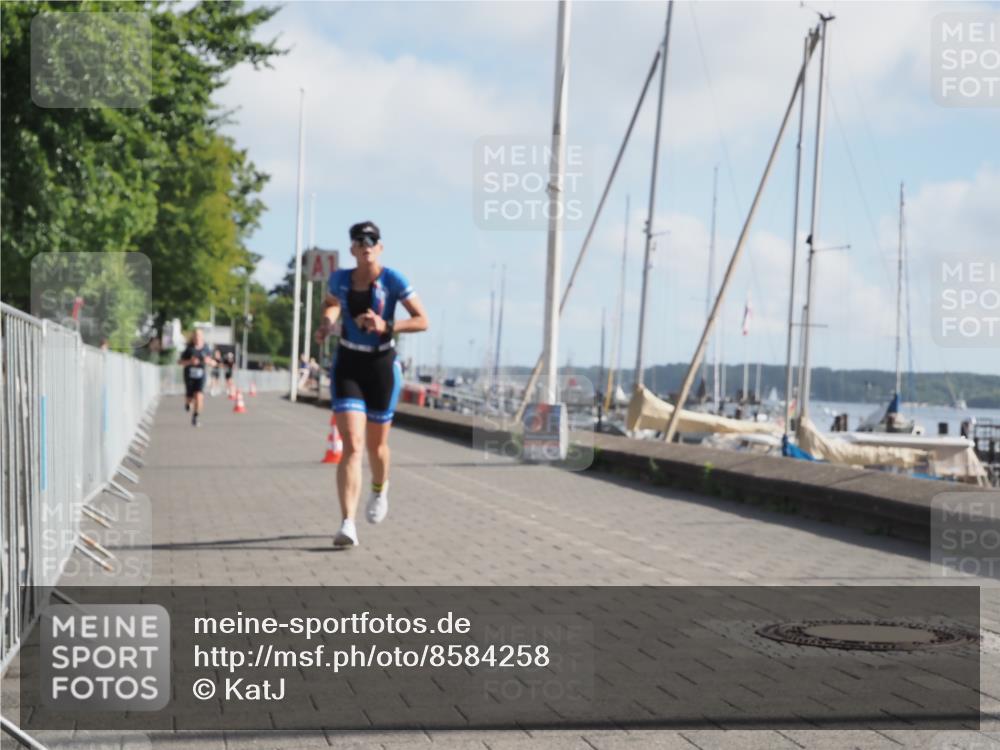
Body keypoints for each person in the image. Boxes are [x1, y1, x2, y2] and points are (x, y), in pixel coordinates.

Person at [315, 221, 428, 548]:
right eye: (360, 241)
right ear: (352, 248)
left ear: (380, 247)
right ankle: (347, 523)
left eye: (372, 240)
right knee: (352, 444)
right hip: (348, 363)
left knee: (376, 447)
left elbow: (423, 320)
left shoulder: (394, 280)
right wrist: (327, 324)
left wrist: (387, 324)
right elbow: (331, 303)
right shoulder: (340, 279)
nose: (366, 245)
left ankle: (380, 489)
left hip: (381, 366)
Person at [179, 329, 216, 427]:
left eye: (199, 335)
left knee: (199, 396)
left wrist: (209, 361)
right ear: (193, 337)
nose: (197, 337)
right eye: (196, 335)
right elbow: (180, 362)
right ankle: (188, 403)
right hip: (189, 375)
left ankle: (195, 417)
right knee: (189, 398)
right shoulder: (189, 348)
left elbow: (214, 362)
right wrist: (190, 362)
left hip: (201, 375)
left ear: (202, 337)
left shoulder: (206, 348)